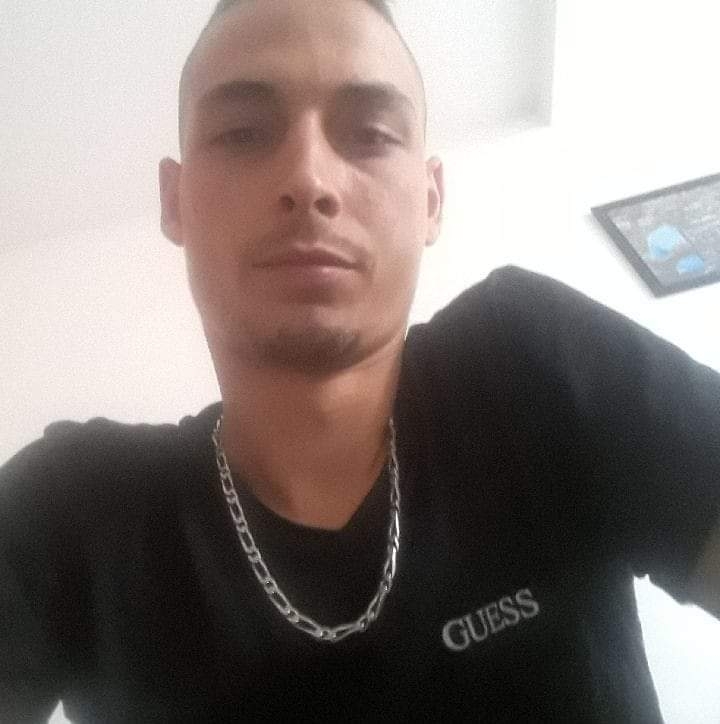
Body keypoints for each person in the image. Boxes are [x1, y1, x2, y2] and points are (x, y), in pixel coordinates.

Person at [2, 0, 719, 721]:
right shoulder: (72, 513)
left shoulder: (534, 364)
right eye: (243, 133)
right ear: (174, 200)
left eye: (371, 135)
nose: (309, 178)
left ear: (430, 200)